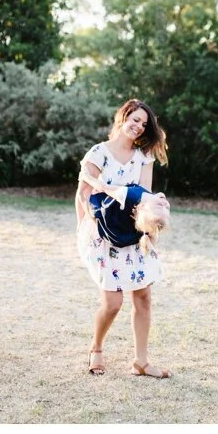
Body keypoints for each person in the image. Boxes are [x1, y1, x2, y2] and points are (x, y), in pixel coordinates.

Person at [77, 99, 171, 379]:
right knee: (113, 303)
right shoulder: (99, 153)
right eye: (135, 119)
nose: (139, 126)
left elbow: (144, 196)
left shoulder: (144, 157)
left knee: (143, 297)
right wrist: (82, 229)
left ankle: (141, 361)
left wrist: (150, 231)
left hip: (133, 232)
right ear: (123, 117)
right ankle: (96, 348)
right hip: (102, 233)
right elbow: (82, 193)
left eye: (144, 124)